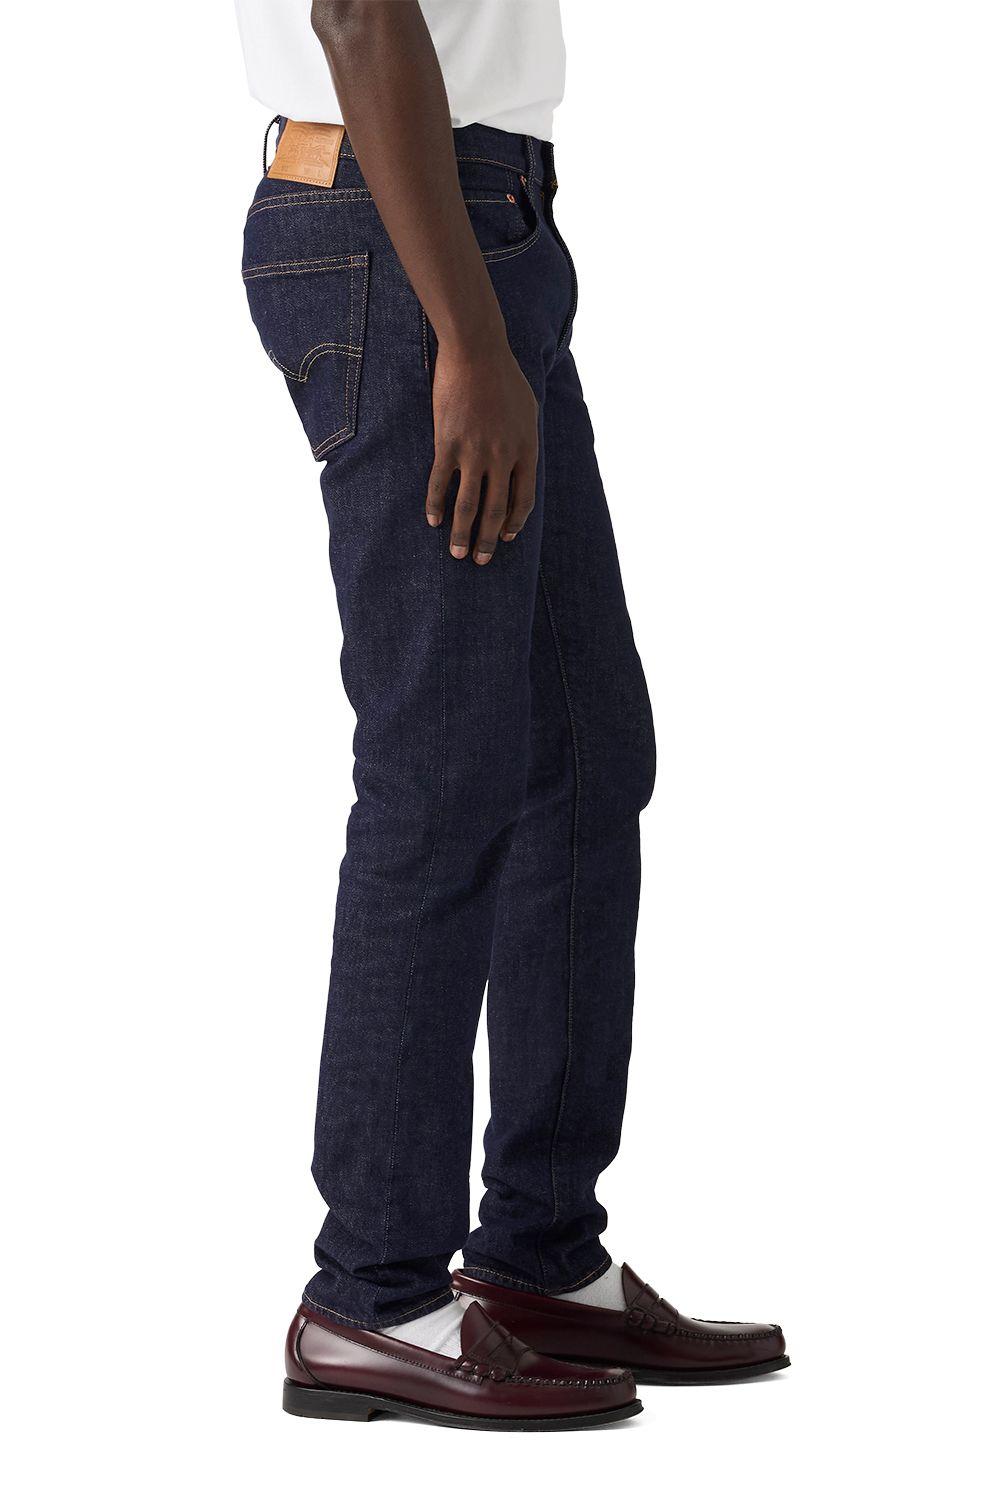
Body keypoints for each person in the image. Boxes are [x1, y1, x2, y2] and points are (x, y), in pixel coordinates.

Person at [235, 0, 788, 1430]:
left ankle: (539, 1254)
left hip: (482, 222)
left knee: (583, 752)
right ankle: (372, 1292)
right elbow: (358, 14)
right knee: (441, 769)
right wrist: (467, 340)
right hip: (404, 229)